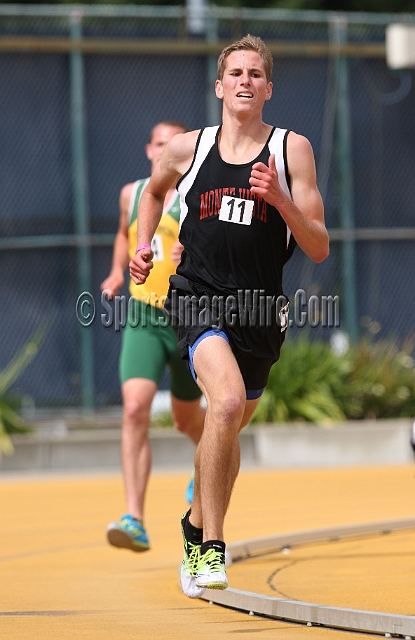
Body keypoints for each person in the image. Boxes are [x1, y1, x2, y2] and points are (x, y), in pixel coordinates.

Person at [129, 35, 329, 595]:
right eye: (235, 73)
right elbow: (151, 193)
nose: (245, 81)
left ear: (268, 88)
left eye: (255, 74)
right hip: (198, 296)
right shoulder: (189, 149)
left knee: (227, 427)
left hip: (260, 311)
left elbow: (318, 247)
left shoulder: (293, 152)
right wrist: (144, 247)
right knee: (228, 403)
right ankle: (211, 549)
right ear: (220, 86)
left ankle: (192, 526)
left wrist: (281, 200)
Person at [101, 121, 205, 553]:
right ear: (150, 150)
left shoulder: (198, 195)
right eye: (161, 144)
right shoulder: (134, 193)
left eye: (174, 144)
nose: (167, 150)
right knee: (134, 410)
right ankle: (134, 517)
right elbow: (123, 236)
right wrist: (113, 272)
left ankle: (210, 464)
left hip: (184, 317)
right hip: (143, 315)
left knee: (186, 419)